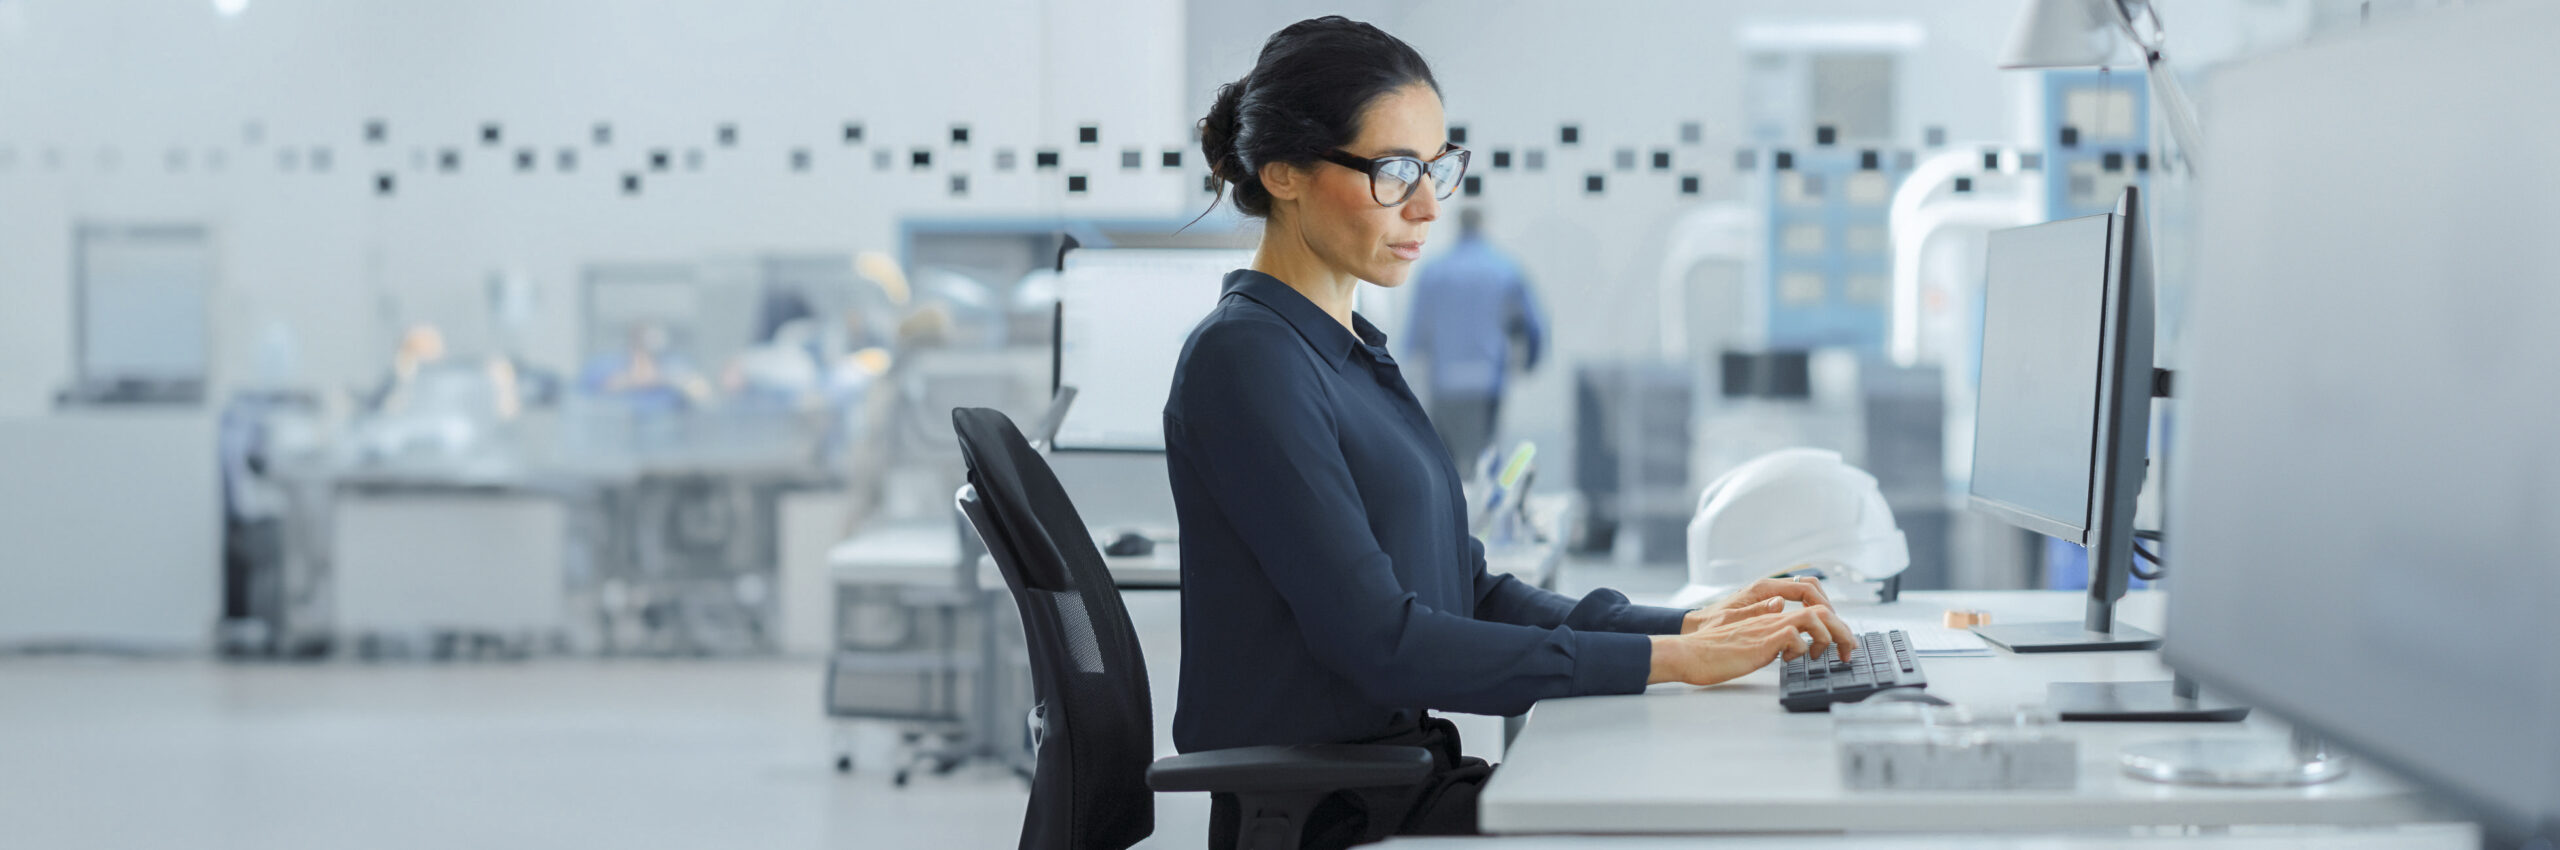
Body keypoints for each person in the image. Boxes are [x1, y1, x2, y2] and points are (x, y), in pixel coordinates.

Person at [1167, 16, 1857, 848]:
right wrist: (1671, 663)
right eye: (1393, 172)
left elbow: (1473, 592)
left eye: (1435, 167)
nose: (1427, 205)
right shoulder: (1247, 359)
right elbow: (1384, 644)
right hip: (1341, 814)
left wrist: (1688, 626)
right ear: (1284, 172)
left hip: (1398, 784)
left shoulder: (1345, 353)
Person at [1404, 206, 1545, 468]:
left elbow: (1416, 333)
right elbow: (1533, 326)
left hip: (1444, 382)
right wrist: (1529, 362)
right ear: (1483, 225)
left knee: (1446, 462)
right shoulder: (1505, 270)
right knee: (1484, 459)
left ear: (1458, 226)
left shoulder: (1434, 272)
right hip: (1487, 380)